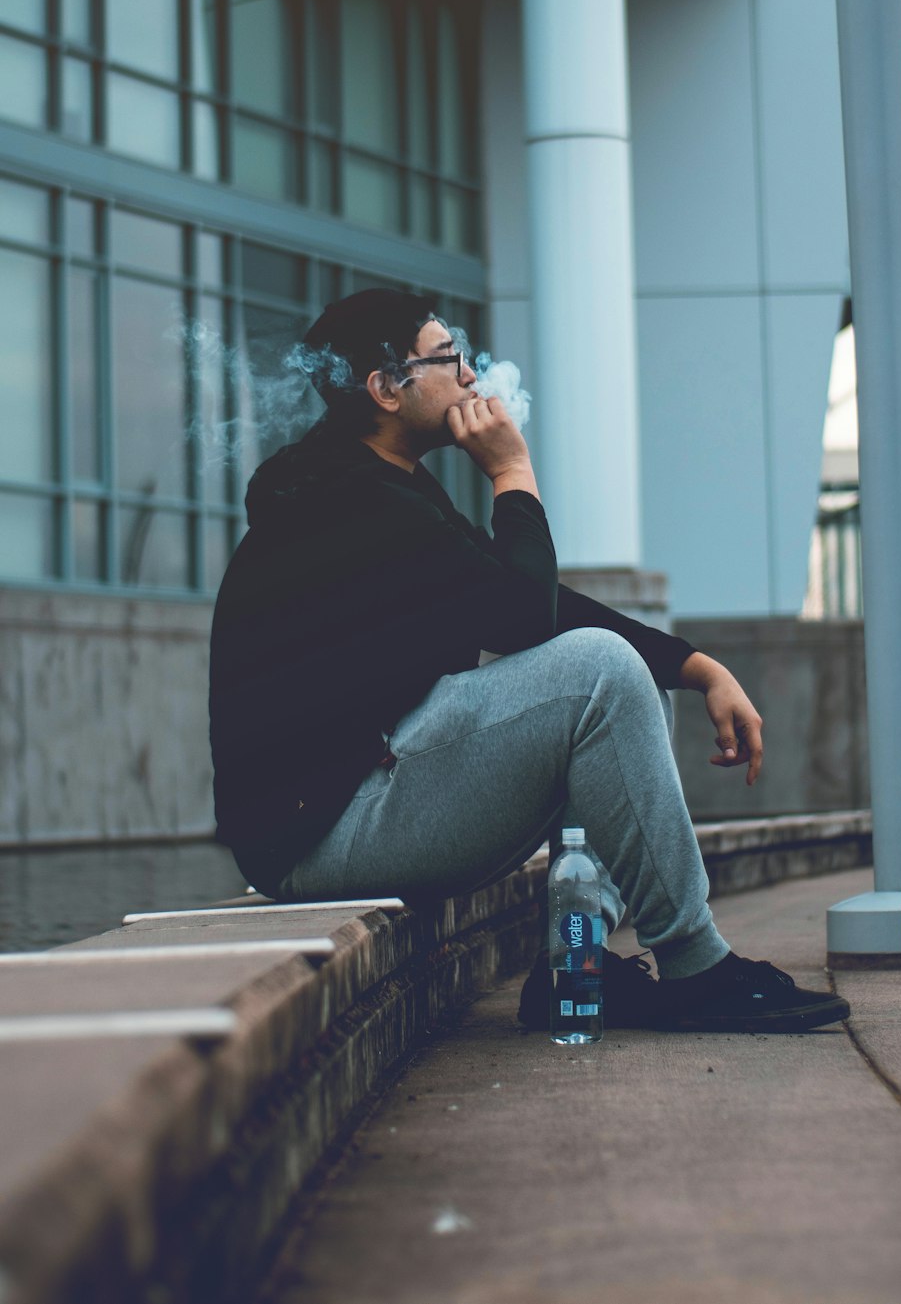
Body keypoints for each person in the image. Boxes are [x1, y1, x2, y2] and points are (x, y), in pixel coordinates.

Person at [209, 288, 850, 1034]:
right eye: (449, 358)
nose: (472, 374)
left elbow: (528, 609)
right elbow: (524, 617)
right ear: (386, 387)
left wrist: (698, 666)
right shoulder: (350, 501)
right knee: (602, 675)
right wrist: (513, 471)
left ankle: (572, 967)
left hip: (349, 807)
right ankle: (696, 963)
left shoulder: (381, 491)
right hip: (322, 834)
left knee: (622, 680)